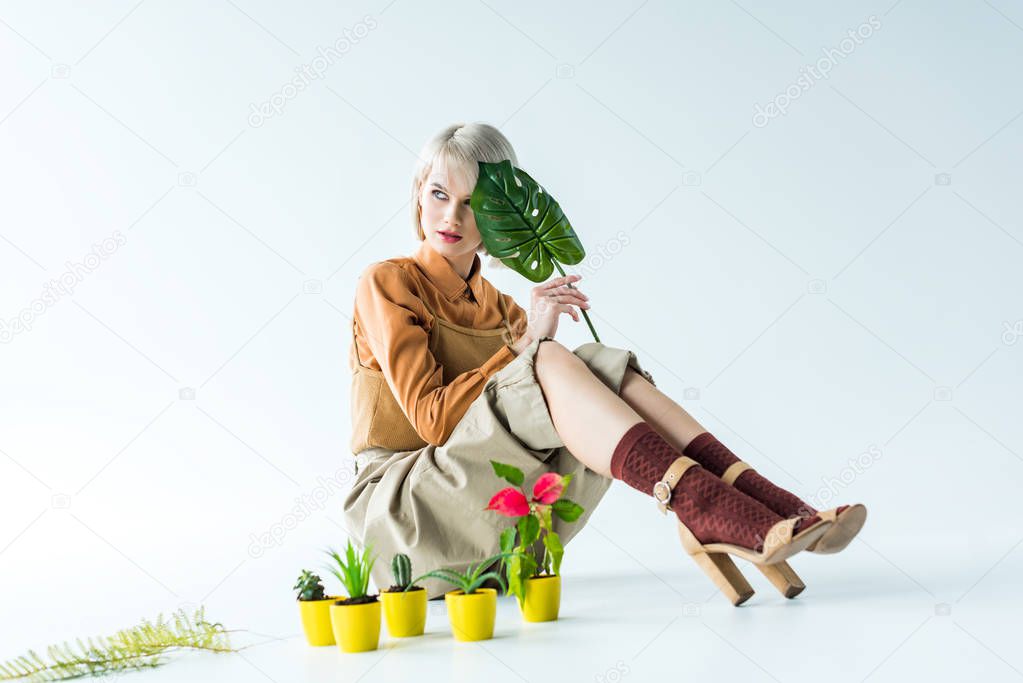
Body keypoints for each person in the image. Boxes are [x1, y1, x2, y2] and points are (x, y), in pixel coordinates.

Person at [342, 122, 866, 605]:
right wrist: (525, 347)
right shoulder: (388, 283)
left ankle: (760, 500)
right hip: (407, 517)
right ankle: (701, 504)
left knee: (596, 364)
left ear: (500, 218)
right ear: (418, 194)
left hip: (494, 516)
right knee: (548, 355)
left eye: (471, 203)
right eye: (438, 194)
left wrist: (528, 341)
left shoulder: (501, 309)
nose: (451, 217)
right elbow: (433, 422)